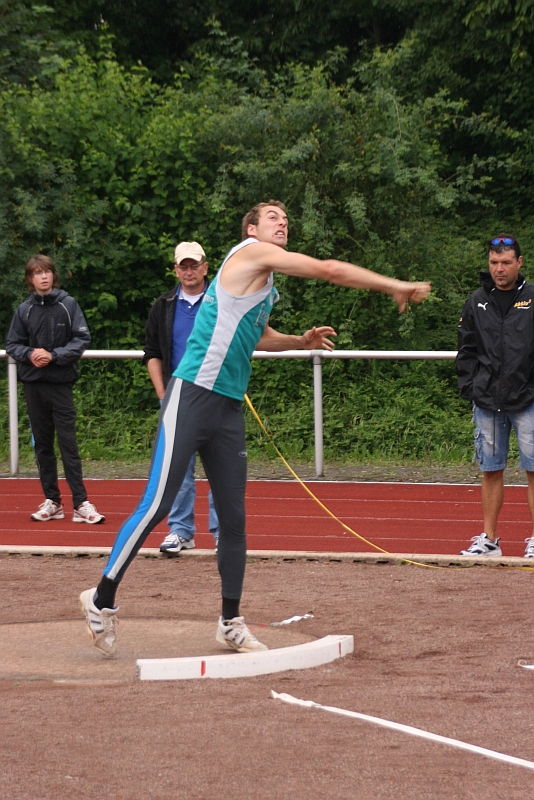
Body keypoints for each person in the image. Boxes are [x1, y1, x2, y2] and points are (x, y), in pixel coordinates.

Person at [80, 200, 431, 658]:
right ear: (251, 229)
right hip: (191, 395)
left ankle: (230, 621)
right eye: (272, 217)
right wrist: (393, 285)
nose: (282, 222)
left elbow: (259, 337)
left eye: (286, 218)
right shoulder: (249, 253)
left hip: (227, 407)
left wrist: (298, 341)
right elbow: (328, 269)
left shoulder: (265, 287)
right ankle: (101, 599)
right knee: (158, 504)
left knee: (235, 519)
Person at [5, 255, 105, 524]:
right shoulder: (23, 310)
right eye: (38, 273)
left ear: (53, 275)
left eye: (47, 271)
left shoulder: (68, 304)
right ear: (30, 279)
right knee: (43, 447)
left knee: (68, 445)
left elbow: (82, 338)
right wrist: (30, 353)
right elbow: (13, 343)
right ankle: (53, 501)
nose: (43, 277)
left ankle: (81, 503)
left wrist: (54, 355)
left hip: (61, 385)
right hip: (34, 385)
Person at [457, 234, 534, 558]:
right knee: (491, 469)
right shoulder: (477, 301)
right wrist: (470, 388)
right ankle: (489, 539)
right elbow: (467, 348)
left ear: (519, 262)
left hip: (528, 399)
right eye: (493, 263)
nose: (498, 269)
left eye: (505, 262)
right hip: (488, 399)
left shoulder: (532, 298)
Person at [144, 240, 219, 553]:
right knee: (178, 466)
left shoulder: (220, 302)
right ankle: (181, 530)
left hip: (216, 393)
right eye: (183, 266)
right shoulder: (163, 305)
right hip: (178, 395)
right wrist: (163, 394)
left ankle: (222, 533)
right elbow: (152, 353)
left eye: (194, 265)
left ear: (205, 268)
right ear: (176, 270)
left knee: (219, 467)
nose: (189, 271)